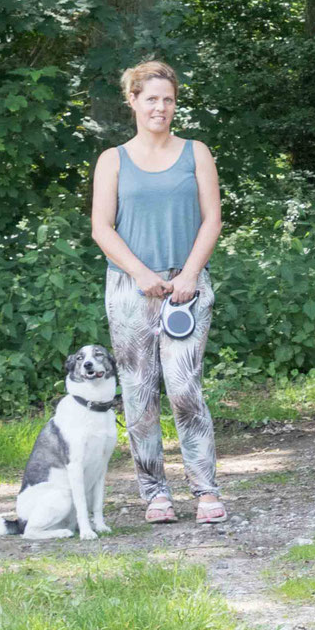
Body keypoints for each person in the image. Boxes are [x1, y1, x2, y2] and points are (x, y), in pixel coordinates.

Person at [90, 61, 226, 525]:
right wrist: (140, 273)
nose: (160, 107)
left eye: (168, 99)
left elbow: (212, 219)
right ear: (132, 100)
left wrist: (190, 274)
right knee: (139, 393)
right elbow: (101, 228)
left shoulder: (195, 153)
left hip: (186, 287)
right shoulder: (113, 160)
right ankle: (155, 494)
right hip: (131, 287)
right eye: (151, 98)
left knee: (185, 388)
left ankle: (206, 490)